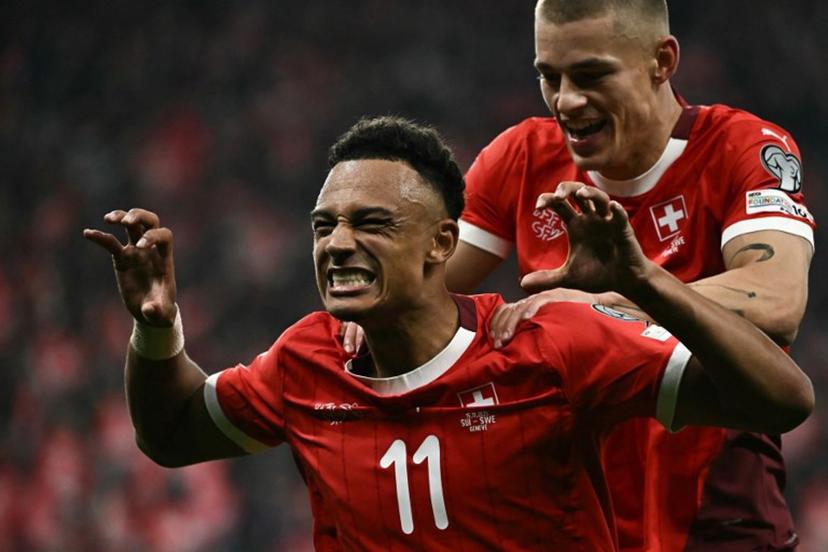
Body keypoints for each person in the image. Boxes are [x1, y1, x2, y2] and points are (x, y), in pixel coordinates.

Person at [83, 116, 813, 551]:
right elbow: (173, 435)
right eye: (323, 226)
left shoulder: (551, 344)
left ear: (439, 246)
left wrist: (646, 282)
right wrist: (156, 329)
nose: (336, 244)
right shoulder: (306, 361)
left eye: (370, 223)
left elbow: (782, 398)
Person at [445, 1, 816, 550]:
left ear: (661, 61)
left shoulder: (745, 148)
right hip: (574, 524)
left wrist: (603, 304)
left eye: (592, 75)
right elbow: (426, 285)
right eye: (550, 76)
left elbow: (776, 301)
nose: (566, 100)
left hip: (718, 527)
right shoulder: (522, 156)